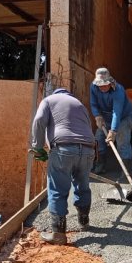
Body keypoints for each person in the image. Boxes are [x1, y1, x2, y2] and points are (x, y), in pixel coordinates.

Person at [30, 86, 96, 245]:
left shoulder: (48, 100)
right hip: (88, 149)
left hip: (64, 148)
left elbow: (39, 121)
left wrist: (38, 146)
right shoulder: (79, 104)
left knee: (57, 189)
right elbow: (87, 127)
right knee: (83, 185)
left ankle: (58, 234)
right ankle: (84, 221)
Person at [89, 67, 132, 174]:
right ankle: (100, 165)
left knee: (121, 141)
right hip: (105, 117)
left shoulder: (118, 90)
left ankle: (125, 170)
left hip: (123, 117)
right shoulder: (93, 87)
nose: (103, 87)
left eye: (105, 84)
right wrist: (97, 116)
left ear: (110, 82)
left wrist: (113, 131)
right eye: (100, 85)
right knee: (99, 138)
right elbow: (93, 103)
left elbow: (116, 112)